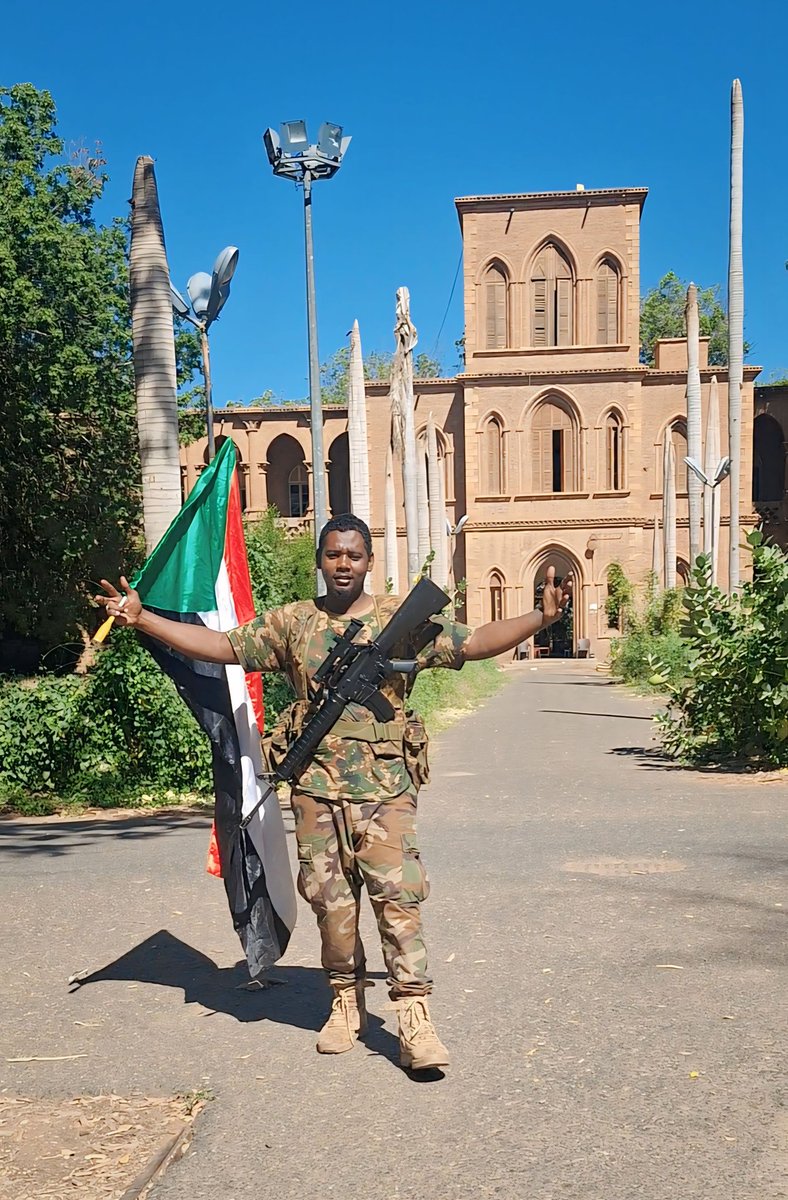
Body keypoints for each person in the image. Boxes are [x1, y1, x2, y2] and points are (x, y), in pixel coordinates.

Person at [97, 513, 571, 1072]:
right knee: (331, 905)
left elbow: (473, 642)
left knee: (398, 901)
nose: (343, 564)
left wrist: (540, 619)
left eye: (354, 555)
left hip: (387, 791)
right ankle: (345, 1001)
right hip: (315, 794)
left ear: (368, 561)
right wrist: (144, 619)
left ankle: (414, 1017)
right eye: (333, 554)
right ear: (320, 561)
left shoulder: (400, 618)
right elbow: (221, 646)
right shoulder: (294, 622)